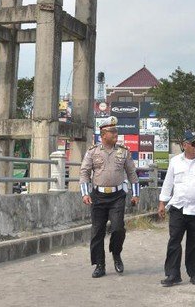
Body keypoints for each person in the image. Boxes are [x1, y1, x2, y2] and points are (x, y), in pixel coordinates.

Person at [79, 116, 140, 278]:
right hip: (98, 196)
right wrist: (85, 193)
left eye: (116, 131)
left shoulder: (123, 152)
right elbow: (84, 172)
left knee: (118, 228)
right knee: (97, 231)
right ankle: (100, 265)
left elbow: (132, 173)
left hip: (118, 196)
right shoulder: (92, 152)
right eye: (112, 132)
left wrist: (136, 194)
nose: (116, 134)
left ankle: (116, 254)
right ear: (103, 134)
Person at [157, 131, 195, 287]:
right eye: (194, 144)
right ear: (184, 145)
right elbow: (168, 183)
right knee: (174, 241)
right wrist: (162, 202)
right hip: (178, 207)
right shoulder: (175, 161)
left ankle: (194, 273)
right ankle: (173, 274)